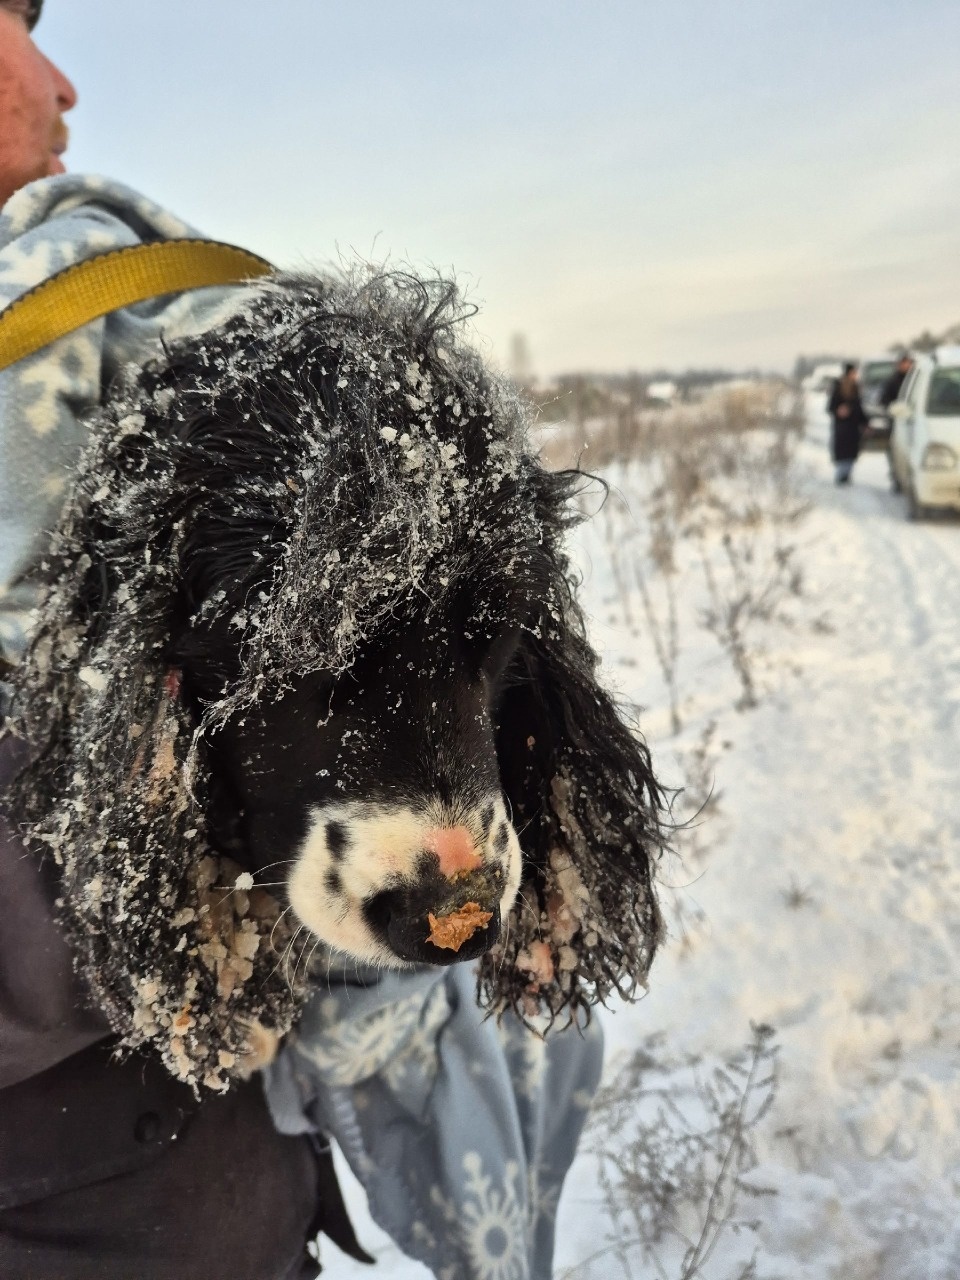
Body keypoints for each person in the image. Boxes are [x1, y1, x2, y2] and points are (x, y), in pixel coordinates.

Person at [0, 6, 603, 1279]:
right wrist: (149, 874)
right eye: (4, 22)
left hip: (226, 1181)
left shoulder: (147, 309)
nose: (59, 83)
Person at [827, 362, 867, 485]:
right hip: (841, 427)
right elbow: (830, 407)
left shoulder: (856, 387)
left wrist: (865, 422)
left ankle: (846, 475)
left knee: (851, 452)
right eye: (854, 373)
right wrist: (839, 411)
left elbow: (859, 407)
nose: (855, 375)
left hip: (853, 427)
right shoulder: (838, 388)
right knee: (842, 452)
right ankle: (841, 475)